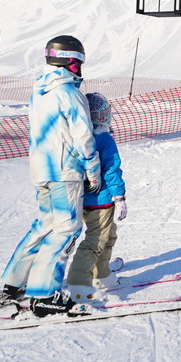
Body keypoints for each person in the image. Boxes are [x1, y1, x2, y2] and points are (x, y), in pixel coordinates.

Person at [0, 34, 102, 317]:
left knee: (44, 226)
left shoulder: (38, 92)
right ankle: (43, 294)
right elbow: (83, 136)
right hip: (65, 170)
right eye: (79, 63)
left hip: (41, 169)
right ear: (72, 62)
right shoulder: (69, 93)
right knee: (66, 229)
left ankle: (12, 284)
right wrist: (92, 169)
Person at [64, 92, 127, 304]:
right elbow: (111, 169)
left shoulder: (79, 138)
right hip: (101, 201)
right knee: (96, 240)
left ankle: (102, 275)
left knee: (108, 236)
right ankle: (78, 283)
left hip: (82, 200)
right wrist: (120, 197)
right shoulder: (104, 139)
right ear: (103, 117)